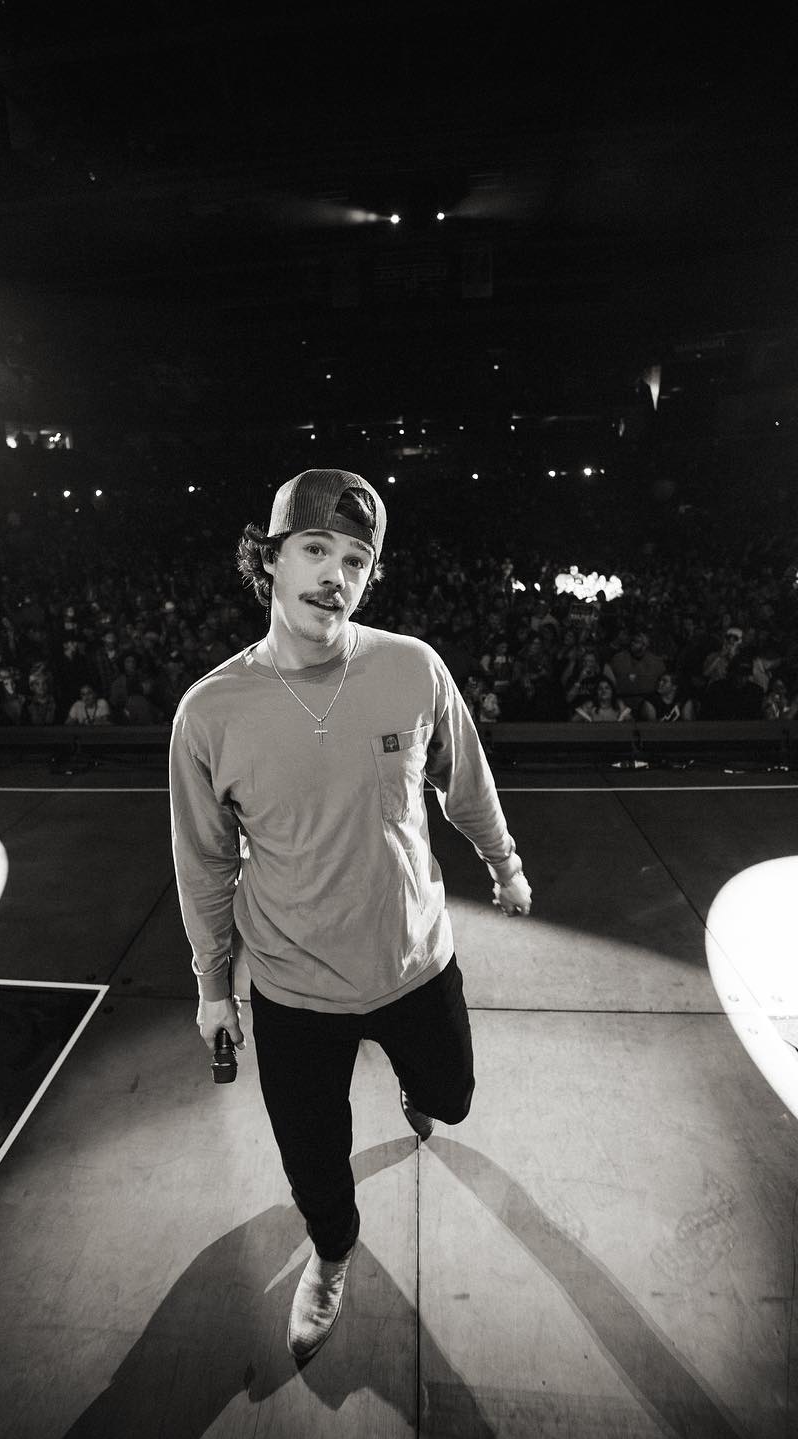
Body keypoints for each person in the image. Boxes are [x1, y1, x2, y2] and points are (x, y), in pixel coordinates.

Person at [169, 468, 533, 1365]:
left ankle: (419, 1088)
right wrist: (214, 986)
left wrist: (505, 863)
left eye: (357, 558)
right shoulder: (210, 712)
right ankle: (331, 1256)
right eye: (317, 550)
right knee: (315, 1162)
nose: (337, 573)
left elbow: (466, 780)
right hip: (294, 991)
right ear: (271, 559)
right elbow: (205, 861)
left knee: (453, 1099)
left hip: (414, 962)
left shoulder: (411, 667)